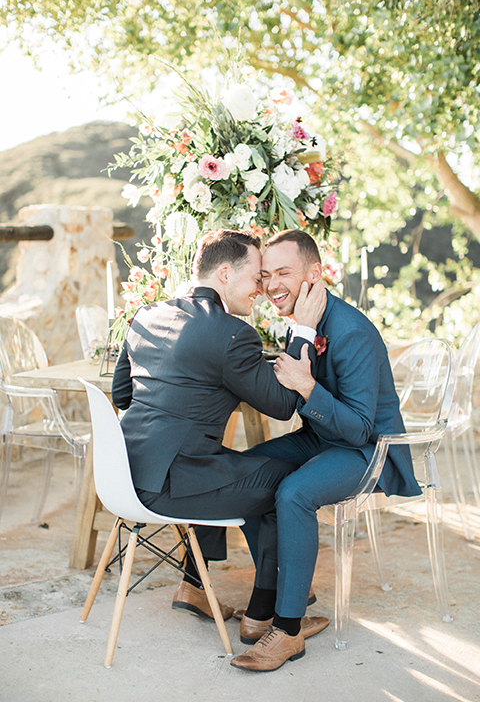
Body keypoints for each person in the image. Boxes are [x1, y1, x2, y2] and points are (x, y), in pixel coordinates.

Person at [111, 228, 329, 639]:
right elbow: (284, 405)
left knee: (231, 465)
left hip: (125, 477)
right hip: (171, 487)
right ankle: (262, 615)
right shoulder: (231, 334)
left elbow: (123, 393)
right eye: (256, 278)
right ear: (225, 275)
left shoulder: (145, 315)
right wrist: (302, 329)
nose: (261, 290)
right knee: (289, 482)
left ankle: (194, 586)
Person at [230, 229, 421, 672]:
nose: (272, 284)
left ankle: (289, 628)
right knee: (244, 471)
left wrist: (306, 385)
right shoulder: (304, 320)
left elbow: (358, 429)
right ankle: (267, 603)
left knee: (293, 493)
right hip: (321, 438)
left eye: (283, 272)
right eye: (265, 275)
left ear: (314, 274)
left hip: (368, 450)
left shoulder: (351, 330)